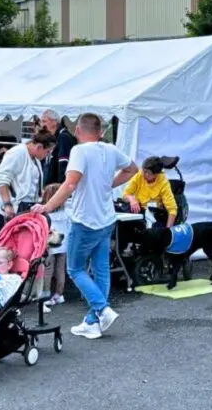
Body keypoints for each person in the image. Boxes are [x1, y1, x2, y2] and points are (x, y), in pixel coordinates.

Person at [32, 113, 138, 340]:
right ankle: (93, 321)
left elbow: (70, 183)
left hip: (84, 220)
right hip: (106, 219)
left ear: (78, 130)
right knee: (100, 270)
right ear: (100, 132)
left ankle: (102, 309)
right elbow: (133, 169)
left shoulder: (79, 151)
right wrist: (109, 184)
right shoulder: (110, 150)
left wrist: (47, 206)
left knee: (76, 269)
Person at [0, 131, 54, 232]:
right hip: (6, 207)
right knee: (8, 245)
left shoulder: (35, 159)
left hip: (23, 206)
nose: (48, 155)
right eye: (48, 151)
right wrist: (7, 204)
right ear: (39, 147)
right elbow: (1, 179)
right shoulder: (17, 153)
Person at [123, 156, 179, 228]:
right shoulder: (139, 175)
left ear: (156, 174)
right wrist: (131, 199)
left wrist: (167, 231)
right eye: (144, 170)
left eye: (148, 173)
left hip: (154, 215)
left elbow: (172, 210)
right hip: (139, 211)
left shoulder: (163, 182)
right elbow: (125, 195)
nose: (144, 174)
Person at [41, 183, 69, 311]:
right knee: (60, 269)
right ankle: (59, 294)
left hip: (51, 245)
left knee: (48, 270)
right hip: (64, 244)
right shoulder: (67, 211)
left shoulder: (46, 215)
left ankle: (46, 295)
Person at [40, 109, 76, 186]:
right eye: (41, 121)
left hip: (57, 187)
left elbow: (64, 164)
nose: (41, 125)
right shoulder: (52, 137)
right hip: (49, 186)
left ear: (54, 122)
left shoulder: (63, 137)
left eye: (44, 121)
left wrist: (60, 186)